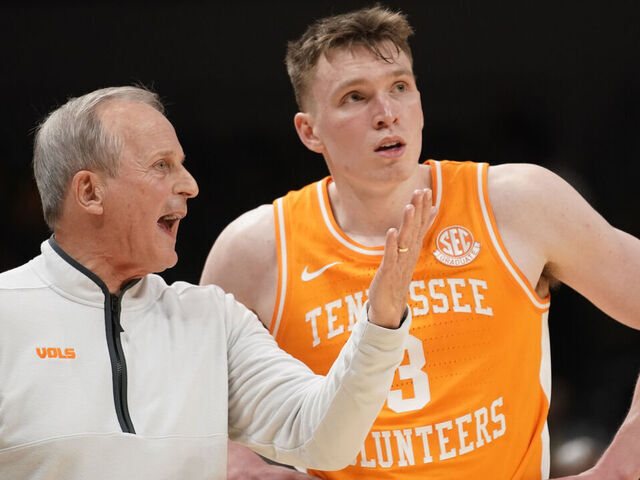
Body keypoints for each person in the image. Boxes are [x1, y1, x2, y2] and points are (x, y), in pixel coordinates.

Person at [200, 5, 640, 479]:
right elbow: (189, 403)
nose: (386, 114)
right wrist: (245, 466)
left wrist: (620, 467)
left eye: (399, 87)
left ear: (420, 103)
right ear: (310, 131)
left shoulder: (517, 203)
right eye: (355, 97)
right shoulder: (256, 250)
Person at [0, 86, 438, 479]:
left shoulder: (213, 318)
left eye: (183, 166)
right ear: (90, 192)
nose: (189, 185)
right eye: (161, 166)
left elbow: (324, 439)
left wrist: (381, 321)